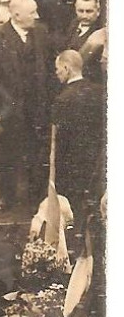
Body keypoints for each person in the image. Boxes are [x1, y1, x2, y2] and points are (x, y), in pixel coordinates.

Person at [0, 0, 50, 211]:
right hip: (9, 108)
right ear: (16, 15)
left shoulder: (41, 32)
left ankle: (35, 197)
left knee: (35, 153)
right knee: (7, 154)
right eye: (32, 13)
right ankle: (7, 196)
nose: (37, 16)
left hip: (35, 105)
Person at [52, 50, 105, 229]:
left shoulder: (62, 100)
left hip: (73, 166)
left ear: (67, 68)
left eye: (58, 70)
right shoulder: (100, 92)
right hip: (98, 161)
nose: (56, 74)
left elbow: (60, 143)